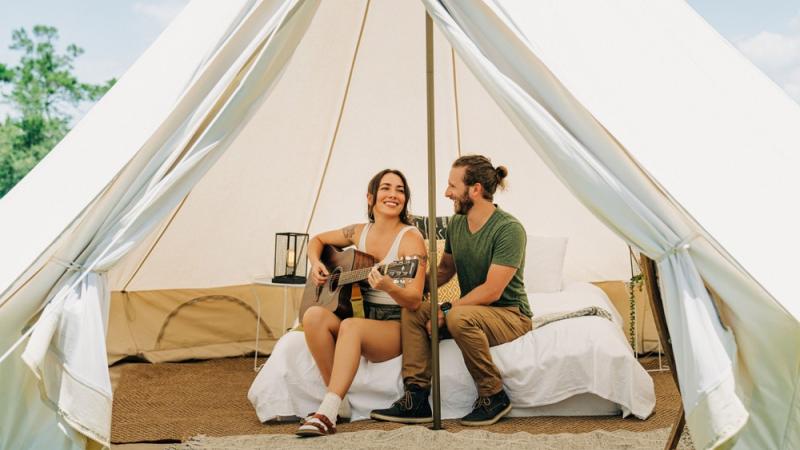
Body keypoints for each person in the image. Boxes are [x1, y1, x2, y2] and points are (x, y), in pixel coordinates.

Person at [370, 155, 532, 426]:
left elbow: (492, 291)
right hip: (472, 311)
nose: (446, 193)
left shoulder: (509, 229)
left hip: (510, 315)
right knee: (414, 311)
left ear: (476, 189)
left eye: (452, 186)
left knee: (457, 317)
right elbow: (445, 270)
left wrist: (447, 309)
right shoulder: (458, 223)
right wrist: (414, 286)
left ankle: (493, 395)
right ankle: (417, 398)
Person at [295, 169, 427, 437]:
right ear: (370, 197)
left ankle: (326, 412)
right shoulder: (357, 232)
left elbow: (414, 299)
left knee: (351, 327)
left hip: (397, 324)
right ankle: (340, 404)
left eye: (400, 190)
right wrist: (316, 263)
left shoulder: (410, 238)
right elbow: (317, 240)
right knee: (312, 316)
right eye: (386, 188)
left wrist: (389, 286)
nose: (393, 195)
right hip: (367, 318)